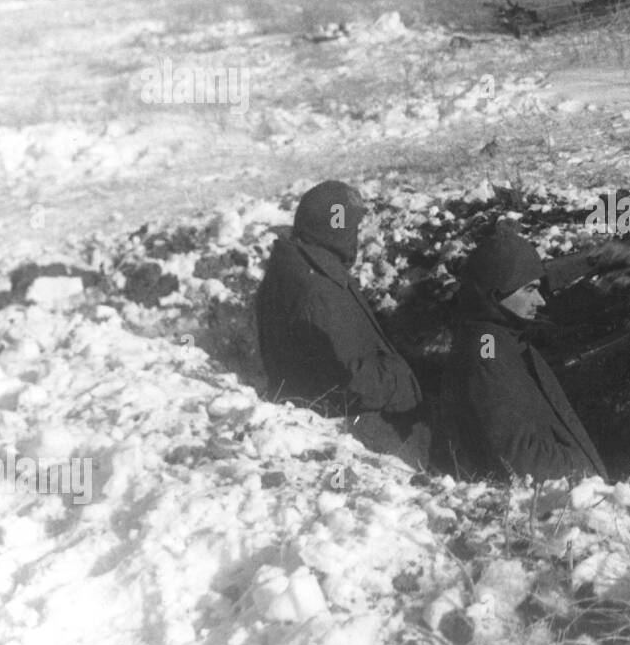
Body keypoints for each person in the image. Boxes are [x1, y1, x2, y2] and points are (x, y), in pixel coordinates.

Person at [255, 180, 427, 466]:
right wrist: (403, 375)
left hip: (318, 414)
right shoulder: (319, 291)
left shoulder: (296, 266)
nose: (357, 237)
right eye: (353, 228)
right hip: (355, 431)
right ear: (336, 228)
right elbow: (357, 381)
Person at [445, 230, 608, 482]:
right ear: (497, 292)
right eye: (529, 289)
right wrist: (583, 470)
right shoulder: (486, 348)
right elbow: (521, 457)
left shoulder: (503, 339)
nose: (541, 301)